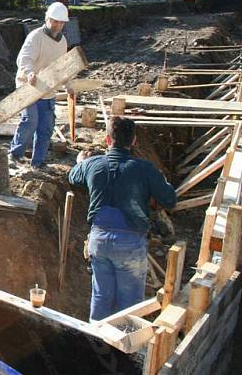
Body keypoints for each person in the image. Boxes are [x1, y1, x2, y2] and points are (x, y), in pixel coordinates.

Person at [68, 117, 176, 322]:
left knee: (101, 297)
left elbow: (73, 177)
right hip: (130, 244)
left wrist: (82, 163)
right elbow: (169, 199)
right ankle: (125, 350)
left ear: (108, 140)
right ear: (134, 140)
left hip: (98, 241)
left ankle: (97, 344)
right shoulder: (145, 169)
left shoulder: (93, 164)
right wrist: (159, 180)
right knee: (130, 306)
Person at [8, 1, 71, 169]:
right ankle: (15, 154)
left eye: (61, 22)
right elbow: (24, 58)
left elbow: (62, 67)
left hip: (48, 90)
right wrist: (29, 72)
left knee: (46, 127)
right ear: (47, 19)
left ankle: (38, 162)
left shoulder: (63, 41)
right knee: (30, 121)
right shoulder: (36, 36)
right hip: (28, 86)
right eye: (54, 21)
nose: (58, 25)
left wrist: (68, 85)